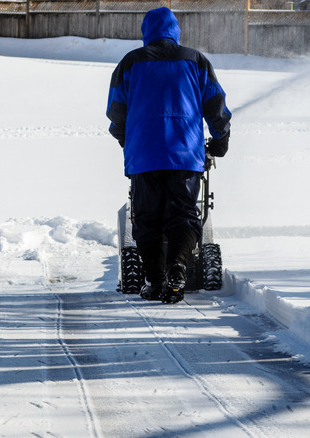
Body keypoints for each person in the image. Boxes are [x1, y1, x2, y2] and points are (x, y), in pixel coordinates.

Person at [106, 7, 231, 303]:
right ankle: (177, 267)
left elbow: (116, 111)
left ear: (146, 32)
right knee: (184, 215)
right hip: (185, 156)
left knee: (146, 219)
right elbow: (216, 105)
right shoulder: (195, 60)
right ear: (175, 30)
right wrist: (220, 140)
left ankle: (155, 280)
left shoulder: (130, 63)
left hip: (143, 156)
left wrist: (127, 139)